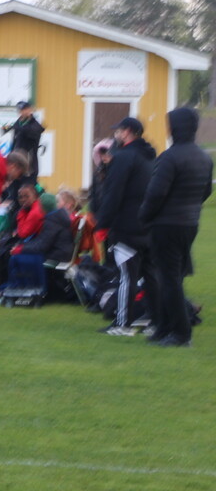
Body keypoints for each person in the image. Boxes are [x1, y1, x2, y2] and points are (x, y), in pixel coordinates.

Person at [138, 107, 212, 347]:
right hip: (189, 222)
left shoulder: (170, 157)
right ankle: (164, 328)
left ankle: (181, 333)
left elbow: (156, 193)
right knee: (173, 277)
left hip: (166, 224)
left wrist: (144, 215)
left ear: (175, 128)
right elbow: (206, 191)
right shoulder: (204, 157)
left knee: (168, 279)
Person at [94, 117, 155, 336]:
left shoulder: (123, 157)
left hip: (127, 225)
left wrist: (102, 225)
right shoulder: (149, 156)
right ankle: (155, 320)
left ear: (127, 131)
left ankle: (123, 324)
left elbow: (113, 193)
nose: (116, 135)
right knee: (150, 276)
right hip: (148, 224)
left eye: (118, 131)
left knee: (127, 276)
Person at [3, 101, 45, 180]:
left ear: (30, 110)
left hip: (28, 166)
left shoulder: (35, 125)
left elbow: (30, 132)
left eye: (24, 109)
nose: (22, 112)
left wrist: (16, 128)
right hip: (15, 165)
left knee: (27, 185)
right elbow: (14, 141)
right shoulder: (18, 123)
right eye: (20, 110)